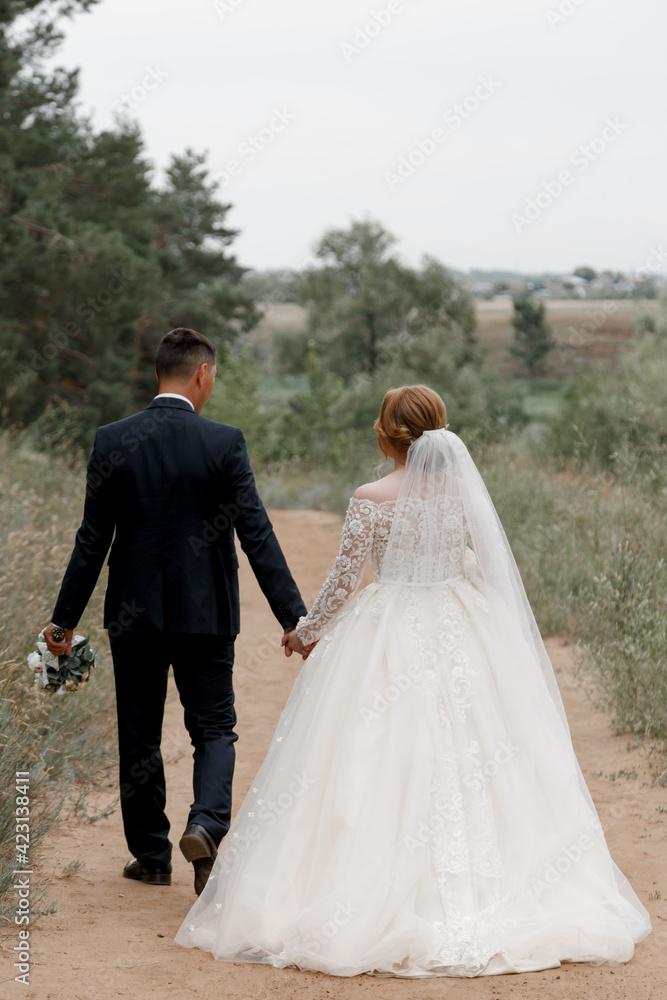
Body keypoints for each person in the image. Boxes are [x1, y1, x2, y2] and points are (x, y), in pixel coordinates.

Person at [176, 384, 651, 977]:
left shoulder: (370, 497)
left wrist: (305, 631)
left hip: (389, 625)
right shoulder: (465, 497)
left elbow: (345, 583)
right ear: (439, 433)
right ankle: (504, 890)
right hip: (463, 624)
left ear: (385, 434)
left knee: (372, 756)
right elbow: (487, 567)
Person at [42, 327, 307, 895]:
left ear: (159, 373)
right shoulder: (223, 442)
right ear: (202, 374)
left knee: (139, 734)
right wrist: (293, 618)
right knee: (214, 727)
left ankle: (152, 857)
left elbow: (93, 539)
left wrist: (63, 621)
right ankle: (207, 826)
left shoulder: (112, 439)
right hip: (205, 616)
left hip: (133, 617)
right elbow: (255, 534)